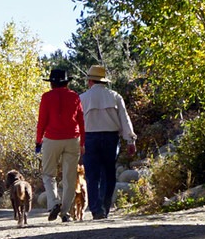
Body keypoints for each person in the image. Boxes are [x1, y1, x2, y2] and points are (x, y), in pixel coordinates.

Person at [79, 65, 136, 219]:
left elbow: (76, 123)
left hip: (90, 138)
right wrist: (130, 140)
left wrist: (77, 143)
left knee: (92, 176)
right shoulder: (115, 96)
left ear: (90, 81)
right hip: (111, 138)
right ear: (103, 81)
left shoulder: (82, 98)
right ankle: (104, 206)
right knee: (109, 174)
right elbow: (124, 119)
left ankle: (96, 209)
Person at [35, 67, 84, 222]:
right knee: (69, 178)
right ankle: (65, 213)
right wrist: (83, 141)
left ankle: (54, 202)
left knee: (49, 174)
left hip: (52, 139)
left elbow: (42, 121)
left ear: (52, 84)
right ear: (66, 83)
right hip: (72, 139)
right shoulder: (74, 96)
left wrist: (38, 141)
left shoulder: (47, 97)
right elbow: (81, 121)